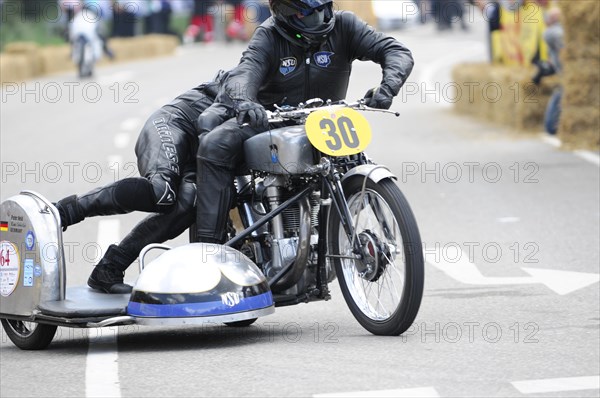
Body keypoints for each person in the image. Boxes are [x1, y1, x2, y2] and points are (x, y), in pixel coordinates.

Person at [193, 0, 414, 244]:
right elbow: (245, 72)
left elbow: (396, 51)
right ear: (287, 13)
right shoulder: (269, 35)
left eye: (322, 10)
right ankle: (208, 248)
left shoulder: (345, 25)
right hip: (272, 121)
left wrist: (388, 87)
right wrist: (246, 101)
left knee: (358, 160)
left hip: (326, 122)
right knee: (214, 144)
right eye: (309, 13)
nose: (318, 19)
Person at [54, 71, 227, 293]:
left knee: (188, 205)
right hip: (174, 124)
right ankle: (67, 210)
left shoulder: (285, 94)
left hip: (203, 151)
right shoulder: (253, 70)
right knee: (161, 193)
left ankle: (108, 269)